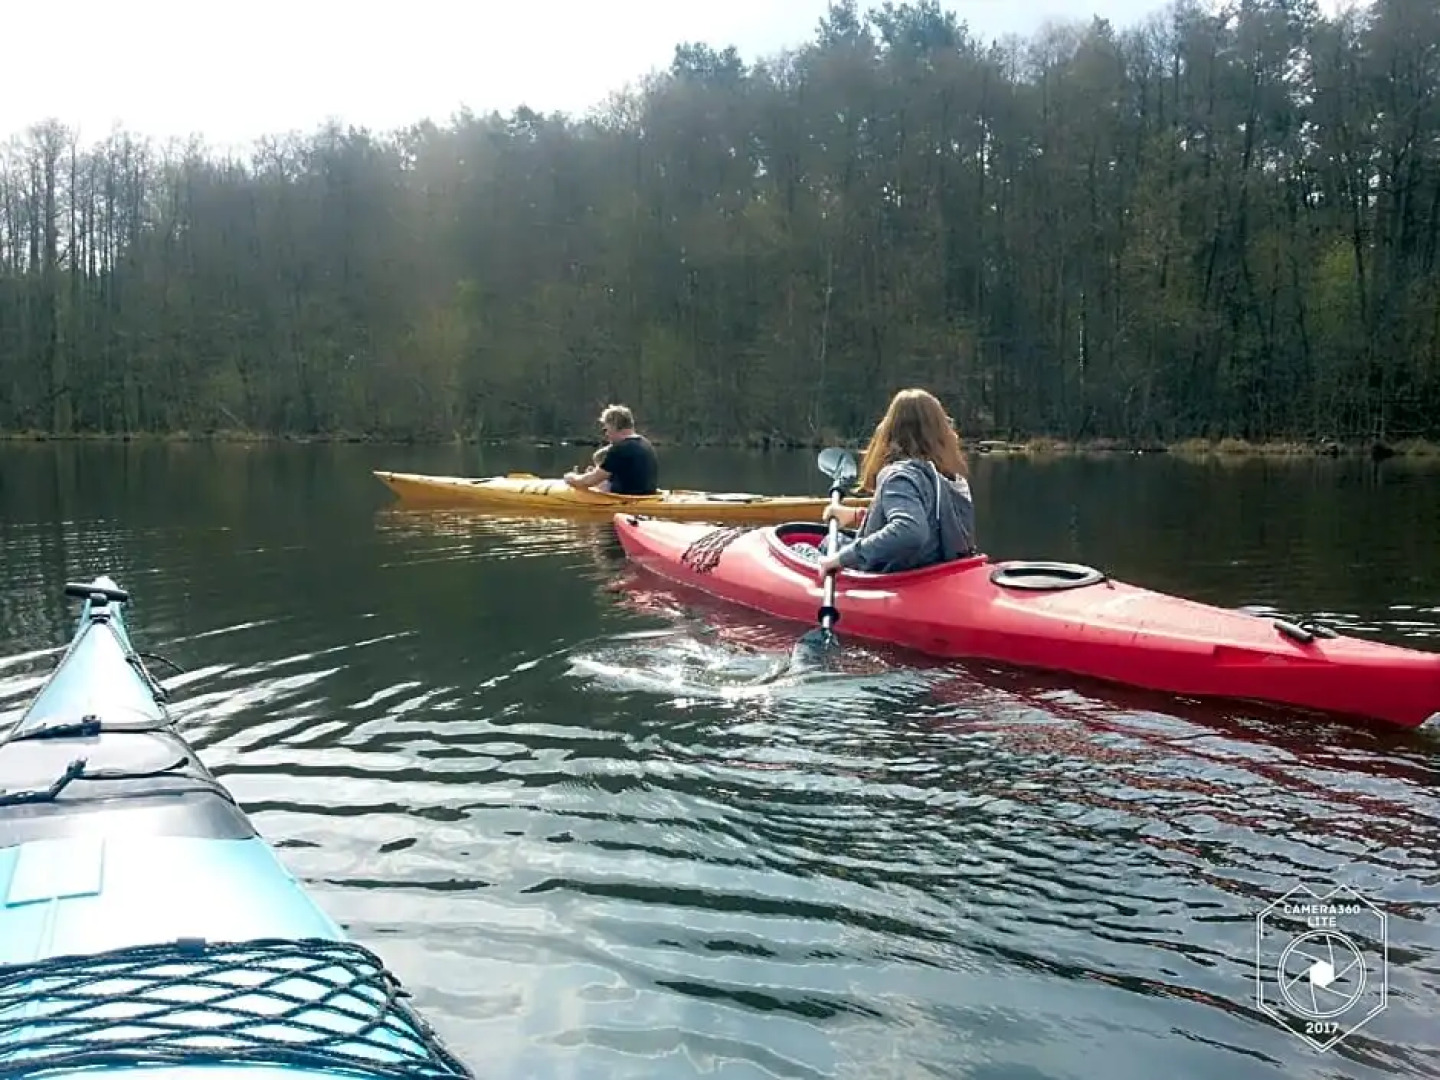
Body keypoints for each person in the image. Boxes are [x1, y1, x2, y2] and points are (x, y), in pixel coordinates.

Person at [816, 388, 977, 577]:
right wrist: (857, 515)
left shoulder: (899, 475)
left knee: (803, 546)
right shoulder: (952, 480)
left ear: (890, 428)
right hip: (940, 572)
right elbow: (928, 519)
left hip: (898, 576)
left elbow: (909, 531)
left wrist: (841, 559)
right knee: (832, 540)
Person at [563, 404, 659, 496]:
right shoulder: (645, 443)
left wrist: (572, 478)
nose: (606, 434)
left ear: (613, 426)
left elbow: (587, 482)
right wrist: (597, 473)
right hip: (647, 496)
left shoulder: (620, 449)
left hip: (627, 500)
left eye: (606, 429)